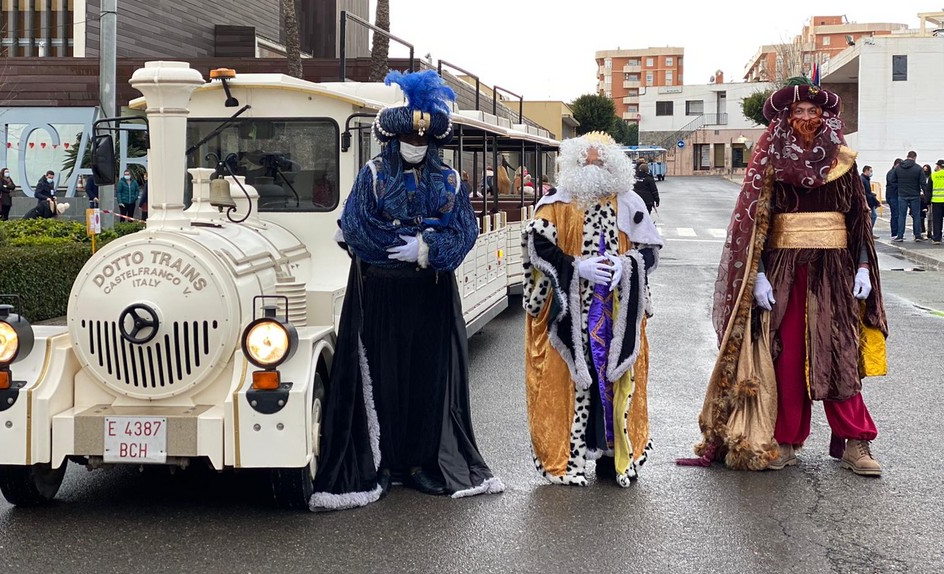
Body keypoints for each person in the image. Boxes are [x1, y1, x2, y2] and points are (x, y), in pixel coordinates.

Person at [310, 70, 502, 511]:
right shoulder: (373, 173)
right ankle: (384, 461)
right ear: (393, 139)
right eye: (409, 140)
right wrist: (392, 246)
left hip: (430, 294)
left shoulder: (450, 179)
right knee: (382, 375)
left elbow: (465, 230)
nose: (417, 146)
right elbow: (356, 227)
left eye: (424, 141)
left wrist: (426, 248)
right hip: (380, 295)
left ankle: (421, 463)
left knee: (427, 379)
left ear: (433, 143)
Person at [685, 78, 887, 476]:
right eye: (799, 112)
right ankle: (786, 439)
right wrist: (757, 275)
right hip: (783, 270)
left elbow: (859, 221)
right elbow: (754, 226)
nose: (807, 118)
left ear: (824, 117)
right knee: (788, 355)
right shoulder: (771, 161)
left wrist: (863, 266)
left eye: (814, 112)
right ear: (787, 118)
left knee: (839, 352)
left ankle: (855, 443)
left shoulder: (844, 162)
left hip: (834, 270)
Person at [521, 132, 664, 487]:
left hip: (618, 313)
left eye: (599, 161)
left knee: (615, 379)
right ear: (571, 165)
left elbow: (650, 250)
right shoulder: (554, 204)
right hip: (570, 313)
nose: (592, 167)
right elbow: (537, 249)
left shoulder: (629, 203)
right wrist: (576, 267)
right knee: (569, 381)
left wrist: (626, 264)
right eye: (585, 161)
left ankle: (612, 458)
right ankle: (568, 459)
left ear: (613, 165)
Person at [892, 150, 925, 241]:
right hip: (915, 195)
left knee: (901, 215)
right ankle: (917, 235)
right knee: (916, 215)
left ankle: (900, 236)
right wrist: (926, 195)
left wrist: (899, 187)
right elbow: (923, 183)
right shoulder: (918, 168)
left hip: (902, 194)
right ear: (915, 157)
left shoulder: (898, 168)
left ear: (907, 156)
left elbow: (892, 179)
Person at [860, 165, 881, 237]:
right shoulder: (863, 179)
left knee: (871, 217)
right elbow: (864, 192)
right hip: (867, 202)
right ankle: (868, 233)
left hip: (868, 200)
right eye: (870, 171)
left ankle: (868, 232)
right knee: (873, 216)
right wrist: (873, 198)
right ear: (866, 170)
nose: (871, 173)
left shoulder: (865, 179)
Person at [885, 158, 902, 241]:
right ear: (896, 165)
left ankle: (897, 233)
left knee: (896, 214)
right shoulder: (892, 173)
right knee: (895, 215)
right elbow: (893, 183)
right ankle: (894, 233)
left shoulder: (893, 172)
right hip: (893, 196)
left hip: (893, 195)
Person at [930, 160, 944, 245]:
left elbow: (929, 190)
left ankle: (937, 238)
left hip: (936, 201)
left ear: (938, 166)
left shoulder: (934, 175)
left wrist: (927, 201)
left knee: (937, 221)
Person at [920, 164, 932, 237]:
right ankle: (922, 229)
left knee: (930, 215)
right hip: (922, 197)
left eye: (926, 170)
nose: (925, 171)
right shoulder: (921, 178)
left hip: (928, 197)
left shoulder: (931, 177)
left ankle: (929, 231)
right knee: (922, 215)